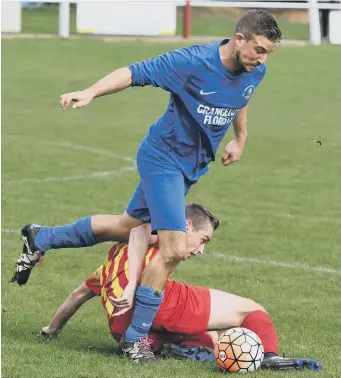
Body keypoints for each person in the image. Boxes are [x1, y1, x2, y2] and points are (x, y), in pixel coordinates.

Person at [12, 10, 282, 362]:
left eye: (268, 53)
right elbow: (135, 72)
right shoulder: (191, 61)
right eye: (259, 50)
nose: (262, 60)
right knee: (172, 247)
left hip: (189, 167)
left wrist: (240, 140)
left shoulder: (254, 70)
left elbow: (240, 98)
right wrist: (90, 92)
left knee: (127, 227)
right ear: (240, 38)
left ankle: (41, 237)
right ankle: (135, 339)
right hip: (163, 160)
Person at [40, 239, 322, 371]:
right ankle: (270, 355)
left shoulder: (106, 269)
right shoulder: (160, 239)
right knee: (252, 310)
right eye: (201, 240)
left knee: (207, 336)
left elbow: (76, 297)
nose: (199, 250)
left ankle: (167, 346)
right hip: (162, 305)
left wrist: (51, 330)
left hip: (124, 330)